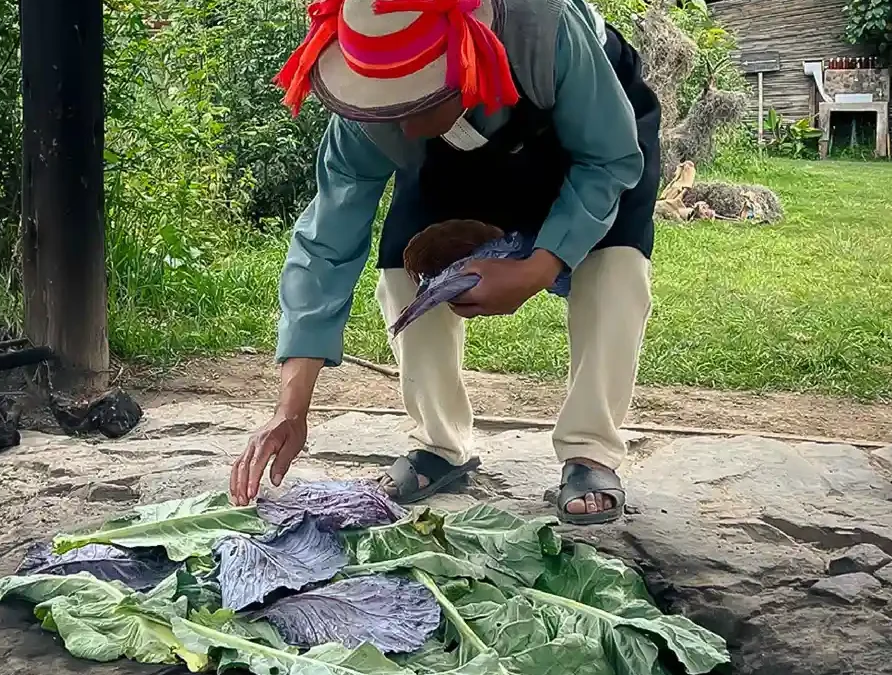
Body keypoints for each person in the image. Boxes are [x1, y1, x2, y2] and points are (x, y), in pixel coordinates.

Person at [230, 0, 661, 525]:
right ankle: (439, 445)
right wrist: (290, 408)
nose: (394, 120)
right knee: (403, 266)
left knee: (614, 264)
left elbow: (609, 158)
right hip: (455, 133)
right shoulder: (380, 116)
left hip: (590, 138)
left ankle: (590, 451)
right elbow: (325, 243)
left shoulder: (544, 34)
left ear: (462, 61)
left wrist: (538, 268)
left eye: (407, 102)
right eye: (380, 103)